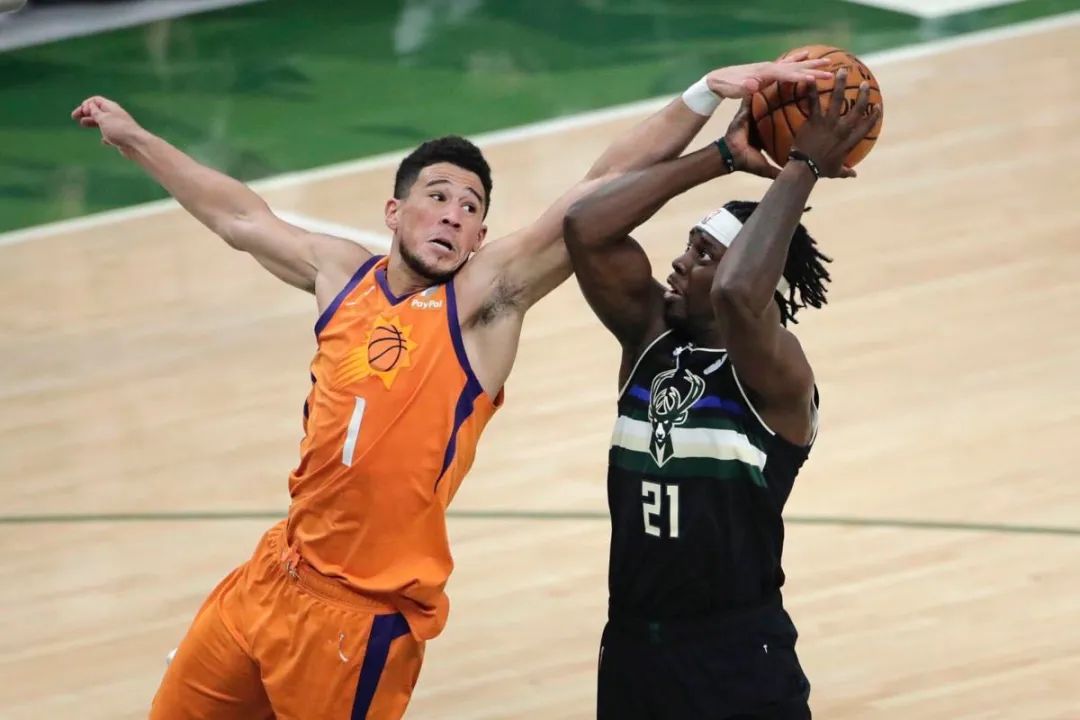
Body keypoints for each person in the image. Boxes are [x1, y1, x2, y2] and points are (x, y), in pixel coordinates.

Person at [71, 55, 831, 720]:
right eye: (438, 196)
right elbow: (236, 214)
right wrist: (133, 137)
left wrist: (704, 104)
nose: (454, 215)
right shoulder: (340, 275)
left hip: (358, 617)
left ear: (479, 238)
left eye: (471, 209)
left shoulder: (481, 303)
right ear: (394, 212)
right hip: (271, 575)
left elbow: (596, 190)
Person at [563, 70, 880, 719]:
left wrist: (802, 166)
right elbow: (585, 226)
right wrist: (721, 157)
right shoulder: (650, 338)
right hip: (633, 649)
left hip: (735, 654)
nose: (680, 262)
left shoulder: (777, 374)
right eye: (688, 246)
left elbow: (738, 294)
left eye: (703, 253)